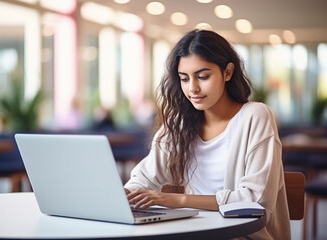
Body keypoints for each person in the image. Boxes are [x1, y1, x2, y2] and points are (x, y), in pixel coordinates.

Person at [124, 30, 290, 240]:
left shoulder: (256, 116)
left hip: (244, 235)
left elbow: (254, 200)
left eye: (203, 76)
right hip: (194, 232)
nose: (192, 88)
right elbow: (144, 178)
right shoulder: (180, 123)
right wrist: (124, 195)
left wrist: (181, 200)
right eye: (184, 78)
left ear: (227, 72)